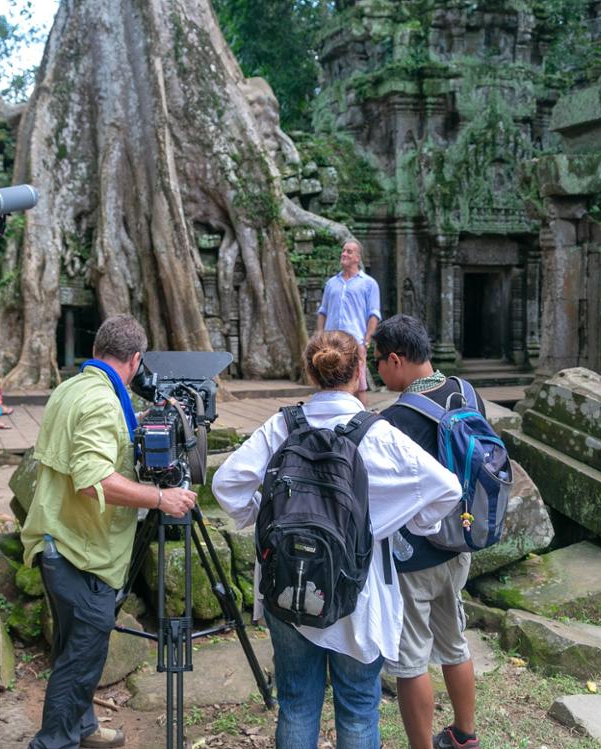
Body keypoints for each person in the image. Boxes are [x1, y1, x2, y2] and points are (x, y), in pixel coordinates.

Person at [212, 330, 461, 749]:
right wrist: (404, 525)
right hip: (357, 592)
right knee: (359, 706)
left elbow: (226, 484)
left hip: (287, 586)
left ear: (309, 372)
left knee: (296, 703)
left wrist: (262, 519)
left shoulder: (282, 425)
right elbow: (447, 489)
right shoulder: (377, 434)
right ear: (359, 370)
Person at [21, 314, 197, 749]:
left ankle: (81, 728)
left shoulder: (74, 387)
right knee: (81, 657)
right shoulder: (101, 401)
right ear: (136, 360)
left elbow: (94, 436)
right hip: (78, 550)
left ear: (99, 350)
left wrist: (138, 419)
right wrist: (161, 499)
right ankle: (52, 742)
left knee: (73, 648)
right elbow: (93, 479)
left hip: (59, 540)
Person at [372, 314, 482, 749]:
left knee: (411, 658)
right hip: (461, 542)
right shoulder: (465, 390)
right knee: (454, 641)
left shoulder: (397, 418)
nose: (377, 369)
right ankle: (465, 734)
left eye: (379, 360)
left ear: (396, 359)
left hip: (413, 556)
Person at [316, 239, 382, 402]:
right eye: (343, 251)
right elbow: (323, 312)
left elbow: (374, 314)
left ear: (357, 258)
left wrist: (366, 341)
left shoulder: (369, 284)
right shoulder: (331, 283)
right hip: (331, 343)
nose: (344, 254)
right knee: (329, 383)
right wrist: (319, 336)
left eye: (349, 252)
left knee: (359, 386)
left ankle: (361, 422)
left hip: (355, 342)